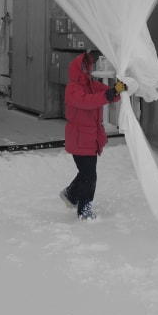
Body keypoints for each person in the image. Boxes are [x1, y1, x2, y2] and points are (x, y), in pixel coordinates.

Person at [59, 49, 126, 220]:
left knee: (85, 173)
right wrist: (108, 95)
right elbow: (88, 102)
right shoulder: (72, 89)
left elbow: (107, 94)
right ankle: (84, 211)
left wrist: (118, 90)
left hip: (91, 139)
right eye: (82, 66)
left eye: (86, 66)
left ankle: (70, 194)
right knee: (89, 176)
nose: (85, 69)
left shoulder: (92, 85)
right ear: (76, 69)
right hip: (79, 140)